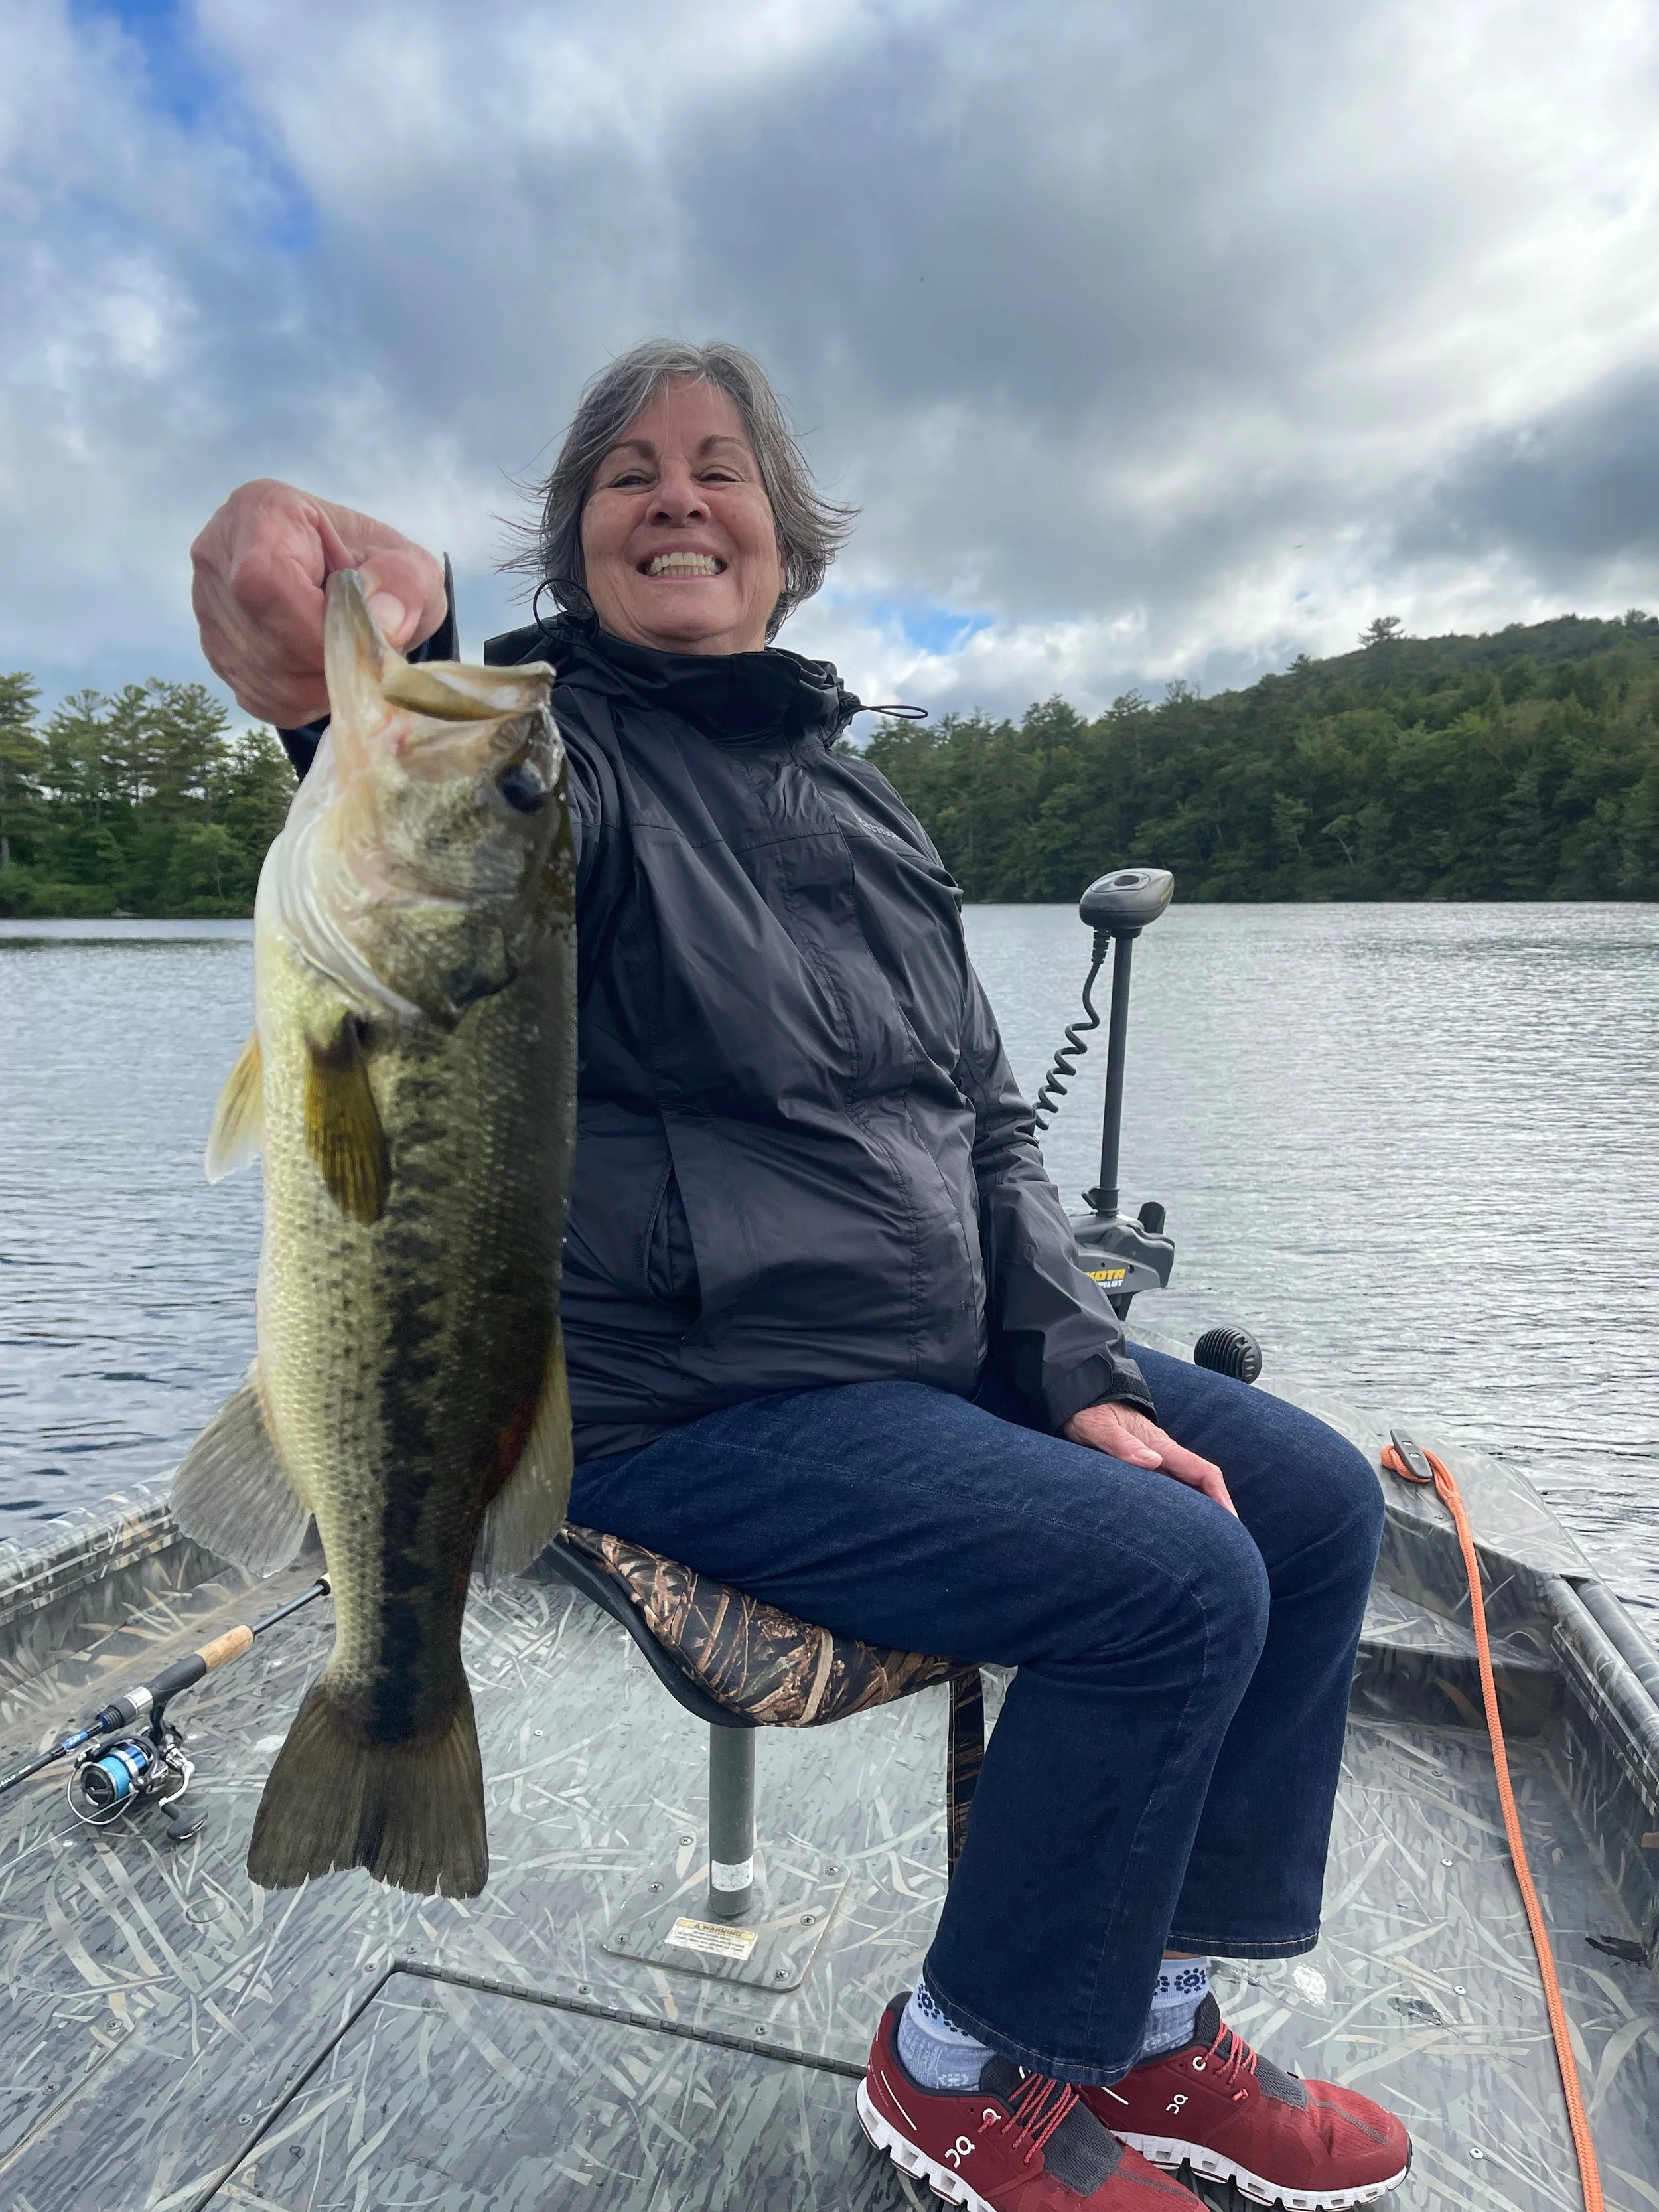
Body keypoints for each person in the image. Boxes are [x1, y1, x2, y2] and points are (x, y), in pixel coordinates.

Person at [192, 339, 1411, 2211]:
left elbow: (988, 1120)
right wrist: (367, 614)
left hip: (928, 1352)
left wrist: (1073, 1362)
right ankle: (960, 2067)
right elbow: (403, 791)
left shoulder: (866, 810)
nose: (676, 495)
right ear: (575, 541)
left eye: (716, 467)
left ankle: (1154, 2018)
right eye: (626, 473)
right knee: (1173, 1577)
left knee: (1313, 1501)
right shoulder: (541, 758)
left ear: (783, 538)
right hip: (692, 1393)